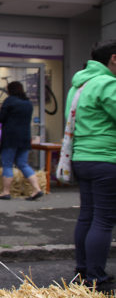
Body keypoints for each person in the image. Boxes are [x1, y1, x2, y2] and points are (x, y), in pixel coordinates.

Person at [69, 40, 116, 292]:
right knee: (104, 219)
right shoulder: (107, 83)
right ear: (114, 59)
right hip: (106, 158)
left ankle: (82, 270)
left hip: (82, 157)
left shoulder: (79, 85)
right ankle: (96, 276)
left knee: (87, 215)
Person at [0, 81, 43, 201]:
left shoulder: (9, 101)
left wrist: (1, 112)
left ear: (10, 90)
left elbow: (0, 118)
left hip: (10, 138)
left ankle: (6, 192)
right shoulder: (28, 103)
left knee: (7, 164)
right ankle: (37, 188)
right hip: (25, 138)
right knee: (23, 164)